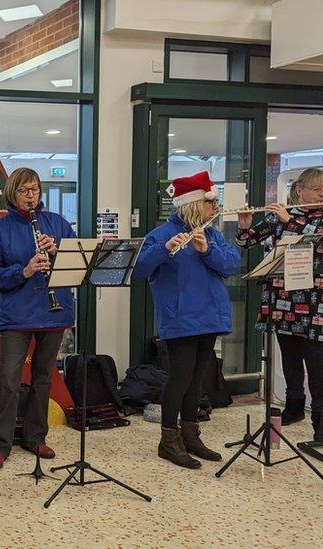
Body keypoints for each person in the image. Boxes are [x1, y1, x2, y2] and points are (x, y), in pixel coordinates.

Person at [133, 171, 240, 468]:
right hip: (180, 318)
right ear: (193, 205)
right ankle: (168, 440)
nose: (215, 208)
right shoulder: (161, 234)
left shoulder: (212, 234)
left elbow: (231, 265)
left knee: (198, 378)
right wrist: (164, 249)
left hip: (210, 316)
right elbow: (139, 269)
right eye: (211, 203)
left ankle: (191, 434)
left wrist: (206, 250)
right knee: (179, 378)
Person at [0, 167, 76, 470]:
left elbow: (77, 263)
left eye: (34, 189)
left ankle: (35, 437)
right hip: (17, 313)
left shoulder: (57, 224)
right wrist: (24, 270)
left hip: (53, 310)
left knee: (43, 377)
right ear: (13, 194)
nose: (31, 195)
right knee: (8, 378)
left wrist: (58, 251)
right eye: (24, 190)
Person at [236, 168, 323, 442]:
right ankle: (294, 405)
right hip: (283, 301)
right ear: (300, 190)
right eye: (318, 189)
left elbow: (317, 241)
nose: (322, 194)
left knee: (317, 363)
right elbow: (247, 241)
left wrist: (289, 221)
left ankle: (320, 421)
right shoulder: (282, 217)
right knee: (290, 357)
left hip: (315, 304)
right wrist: (244, 224)